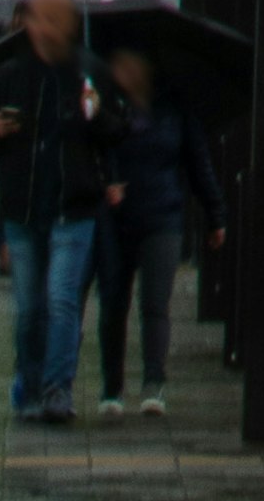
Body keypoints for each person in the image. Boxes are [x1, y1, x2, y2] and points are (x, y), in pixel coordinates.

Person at [0, 0, 118, 429]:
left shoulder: (87, 72)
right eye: (37, 18)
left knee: (62, 299)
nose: (44, 28)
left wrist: (97, 111)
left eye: (54, 19)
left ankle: (58, 387)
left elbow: (115, 131)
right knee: (29, 309)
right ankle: (29, 379)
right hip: (23, 211)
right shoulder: (8, 74)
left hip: (73, 209)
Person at [95, 38, 221, 416]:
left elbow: (197, 162)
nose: (125, 73)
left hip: (162, 215)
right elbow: (90, 153)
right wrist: (104, 183)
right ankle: (111, 388)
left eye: (131, 64)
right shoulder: (105, 107)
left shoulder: (173, 109)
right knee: (113, 302)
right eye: (118, 65)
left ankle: (154, 382)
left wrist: (216, 214)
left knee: (155, 302)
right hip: (116, 218)